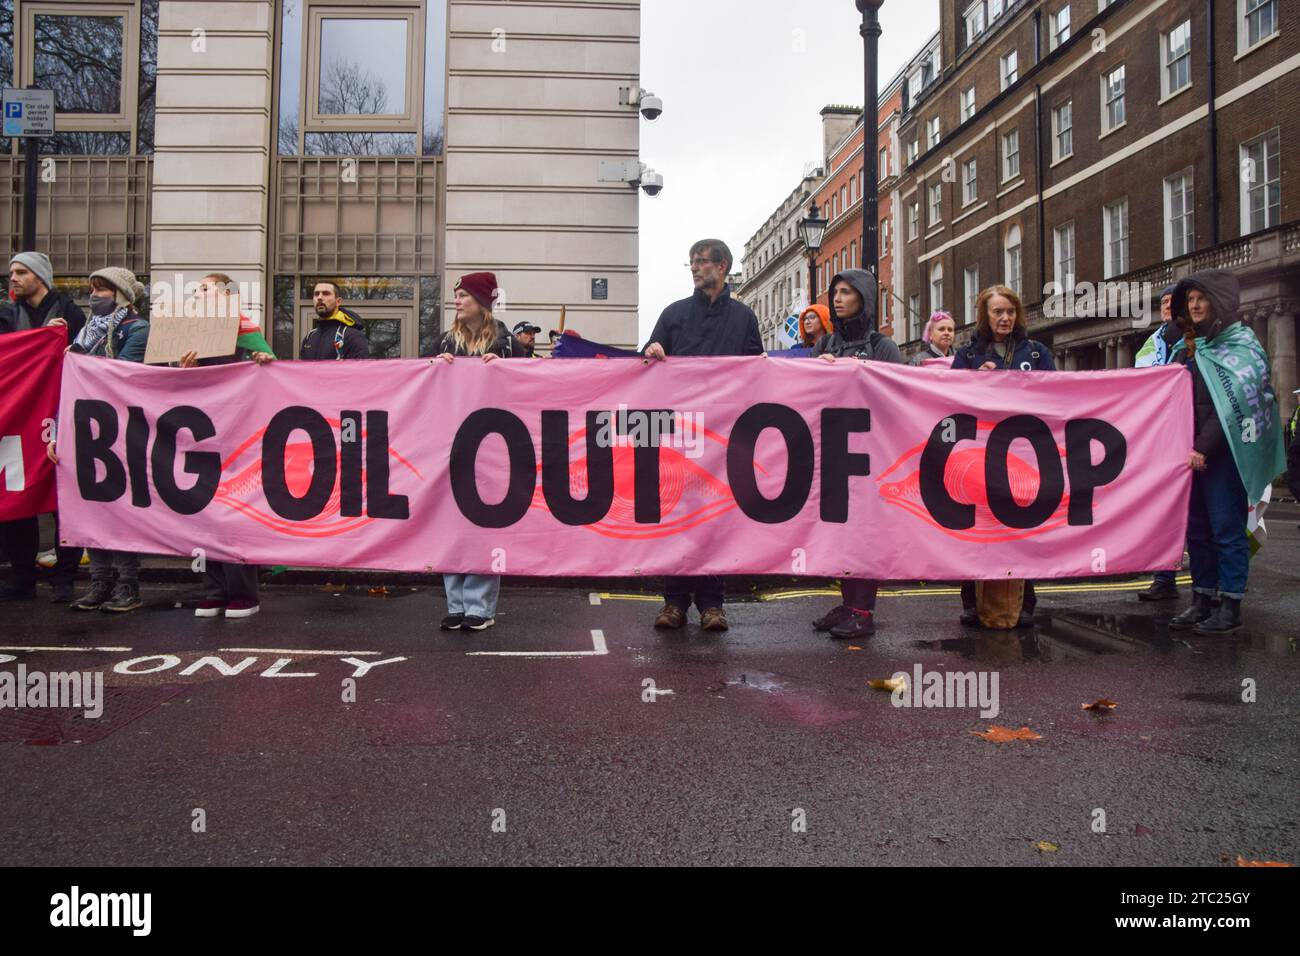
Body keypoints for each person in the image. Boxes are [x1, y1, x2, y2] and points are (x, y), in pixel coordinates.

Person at [643, 238, 762, 632]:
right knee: (680, 518)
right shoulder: (674, 314)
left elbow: (758, 372)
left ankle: (713, 605)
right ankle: (674, 602)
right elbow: (648, 355)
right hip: (680, 436)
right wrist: (654, 349)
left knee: (714, 521)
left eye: (702, 262)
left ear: (723, 266)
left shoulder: (745, 318)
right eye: (691, 263)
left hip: (723, 437)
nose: (695, 268)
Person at [1167, 269, 1285, 634]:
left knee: (1226, 529)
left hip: (1224, 455)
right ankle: (1202, 599)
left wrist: (1203, 447)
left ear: (1218, 302)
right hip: (1189, 455)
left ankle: (1230, 604)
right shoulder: (1187, 347)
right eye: (1191, 299)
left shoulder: (1241, 345)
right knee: (1197, 531)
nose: (1196, 304)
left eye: (1202, 298)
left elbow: (1233, 408)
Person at [952, 286, 1055, 627]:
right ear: (985, 315)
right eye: (997, 312)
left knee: (1021, 528)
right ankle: (971, 599)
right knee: (978, 527)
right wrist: (972, 383)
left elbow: (1057, 395)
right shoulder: (967, 357)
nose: (1005, 318)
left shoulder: (1038, 353)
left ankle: (1026, 603)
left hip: (1024, 455)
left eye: (1010, 311)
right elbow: (947, 399)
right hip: (979, 454)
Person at [810, 269, 904, 640]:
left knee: (865, 534)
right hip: (833, 450)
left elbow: (896, 396)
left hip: (871, 454)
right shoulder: (824, 346)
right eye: (835, 292)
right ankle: (848, 603)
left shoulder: (883, 346)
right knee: (839, 534)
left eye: (847, 292)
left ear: (863, 297)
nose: (838, 299)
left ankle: (863, 610)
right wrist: (816, 372)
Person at [177, 274, 275, 619]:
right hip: (203, 434)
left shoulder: (245, 328)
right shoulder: (190, 331)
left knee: (235, 514)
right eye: (197, 289)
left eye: (206, 288)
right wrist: (183, 369)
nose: (199, 292)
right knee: (206, 513)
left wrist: (261, 362)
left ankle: (244, 592)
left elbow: (271, 371)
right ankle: (215, 589)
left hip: (238, 433)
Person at [433, 272, 523, 631]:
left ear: (482, 301)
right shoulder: (445, 339)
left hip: (491, 447)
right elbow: (426, 385)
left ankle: (480, 608)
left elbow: (527, 385)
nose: (457, 300)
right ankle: (456, 604)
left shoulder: (505, 341)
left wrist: (506, 370)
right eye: (456, 295)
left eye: (464, 295)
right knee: (450, 526)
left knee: (484, 526)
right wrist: (436, 369)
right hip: (452, 442)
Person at [0, 252, 86, 602]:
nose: (14, 278)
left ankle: (64, 579)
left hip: (56, 417)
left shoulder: (70, 312)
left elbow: (85, 357)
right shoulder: (5, 313)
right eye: (11, 273)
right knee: (19, 499)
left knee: (62, 502)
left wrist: (60, 341)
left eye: (21, 272)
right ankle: (22, 578)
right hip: (18, 421)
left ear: (41, 276)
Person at [68, 267, 150, 612]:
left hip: (119, 430)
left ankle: (127, 584)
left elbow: (125, 372)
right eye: (92, 289)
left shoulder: (137, 329)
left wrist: (81, 365)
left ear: (121, 295)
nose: (94, 295)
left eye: (102, 289)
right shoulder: (85, 333)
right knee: (93, 509)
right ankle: (100, 582)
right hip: (86, 426)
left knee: (119, 510)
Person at [1134, 285, 1184, 602]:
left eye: (1172, 302)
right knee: (1164, 510)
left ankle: (1221, 582)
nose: (1166, 306)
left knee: (1199, 512)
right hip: (1161, 435)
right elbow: (1139, 381)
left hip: (1188, 432)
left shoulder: (1195, 336)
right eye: (1163, 302)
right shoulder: (1151, 342)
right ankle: (1164, 579)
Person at [299, 280, 369, 360]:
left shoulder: (352, 336)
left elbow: (360, 370)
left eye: (326, 293)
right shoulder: (309, 337)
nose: (319, 298)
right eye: (316, 294)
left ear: (338, 301)